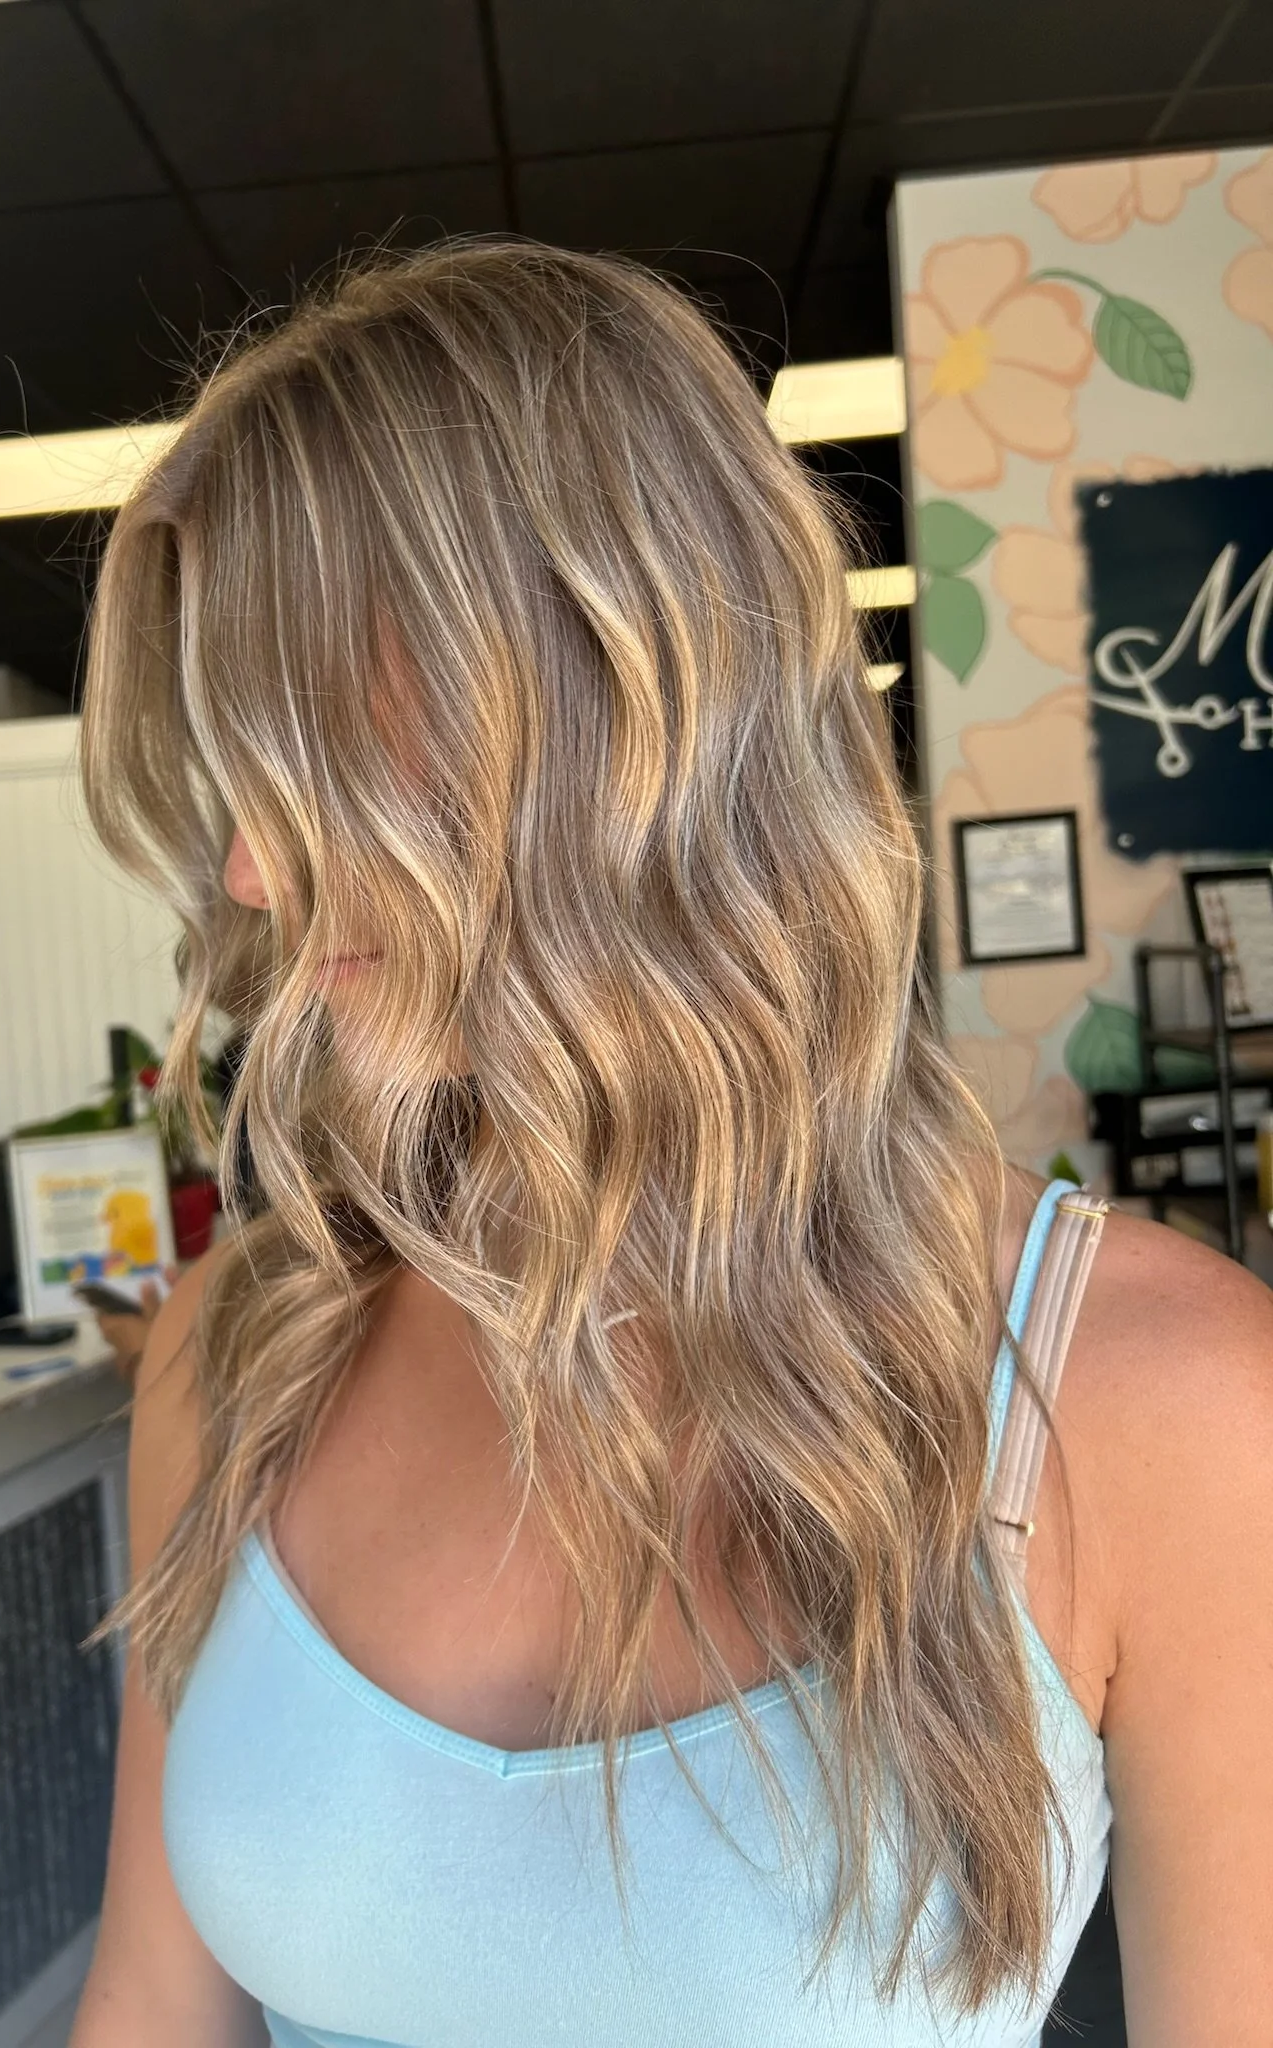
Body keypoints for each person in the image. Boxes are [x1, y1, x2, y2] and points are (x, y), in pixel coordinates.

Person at [69, 242, 1273, 2048]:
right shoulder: (241, 1352)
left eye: (323, 763)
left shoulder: (1155, 1405)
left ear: (632, 709)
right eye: (244, 784)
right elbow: (148, 2008)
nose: (250, 873)